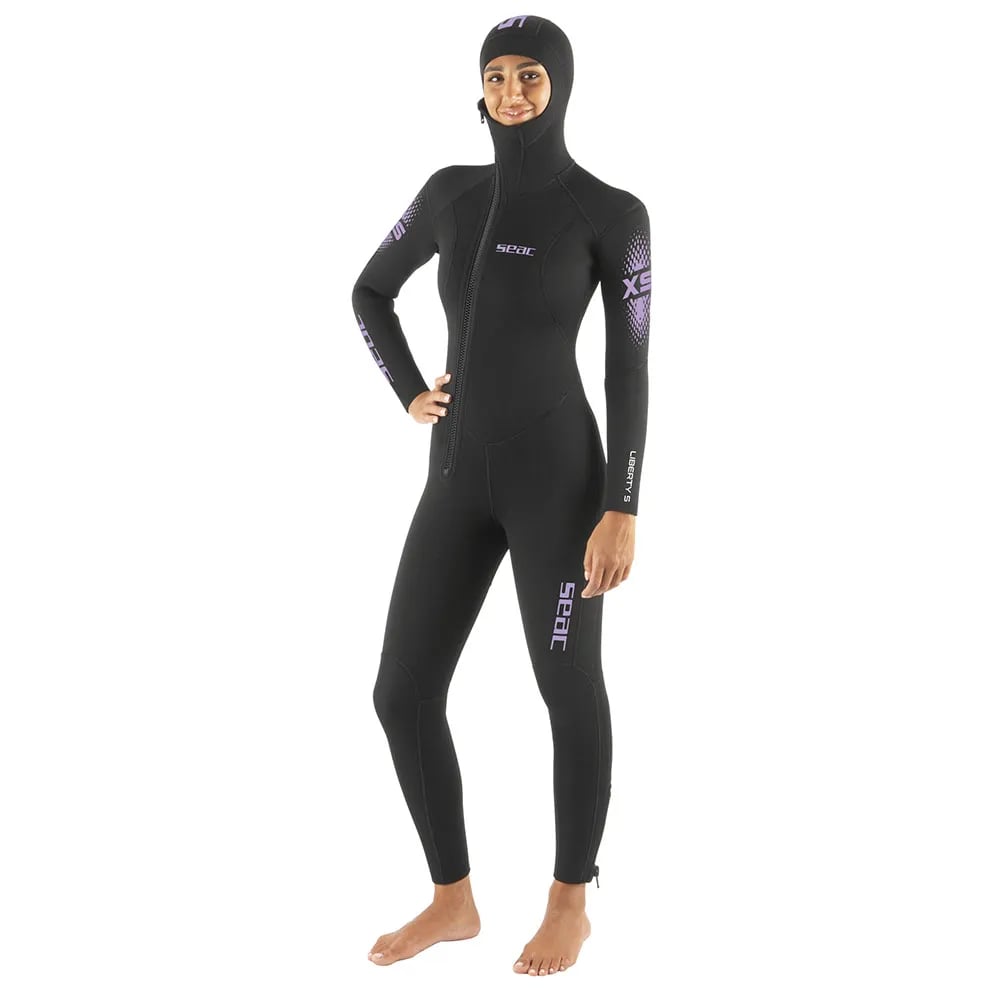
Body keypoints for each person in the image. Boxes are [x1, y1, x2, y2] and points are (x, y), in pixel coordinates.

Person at [351, 15, 651, 976]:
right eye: (496, 76)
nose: (512, 92)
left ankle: (570, 900)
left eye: (530, 75)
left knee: (566, 685)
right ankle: (453, 899)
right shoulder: (451, 191)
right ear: (478, 89)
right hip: (455, 477)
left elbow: (630, 366)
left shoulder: (611, 212)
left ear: (561, 84)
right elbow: (368, 291)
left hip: (560, 483)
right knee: (401, 692)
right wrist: (410, 391)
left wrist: (623, 504)